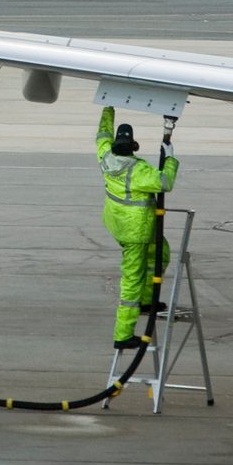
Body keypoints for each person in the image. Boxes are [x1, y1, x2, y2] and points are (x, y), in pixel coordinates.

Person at [95, 106, 179, 349]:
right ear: (133, 147)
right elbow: (165, 182)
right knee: (132, 277)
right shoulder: (138, 170)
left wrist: (108, 107)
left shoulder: (105, 157)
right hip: (136, 232)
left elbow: (102, 135)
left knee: (160, 252)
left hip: (120, 223)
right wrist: (170, 158)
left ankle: (145, 300)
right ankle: (123, 334)